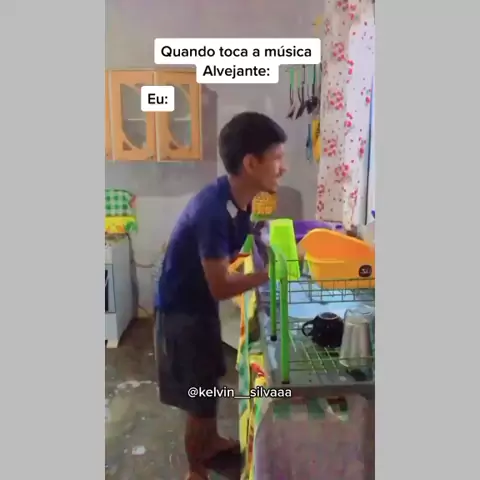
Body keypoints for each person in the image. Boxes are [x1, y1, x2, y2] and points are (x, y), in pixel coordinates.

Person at [155, 111, 287, 480]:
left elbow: (231, 249)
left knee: (209, 381)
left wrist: (259, 248)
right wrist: (269, 275)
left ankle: (210, 442)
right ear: (251, 163)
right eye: (277, 158)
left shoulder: (238, 199)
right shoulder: (212, 210)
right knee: (198, 399)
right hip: (182, 313)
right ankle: (195, 471)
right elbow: (220, 286)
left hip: (200, 306)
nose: (284, 167)